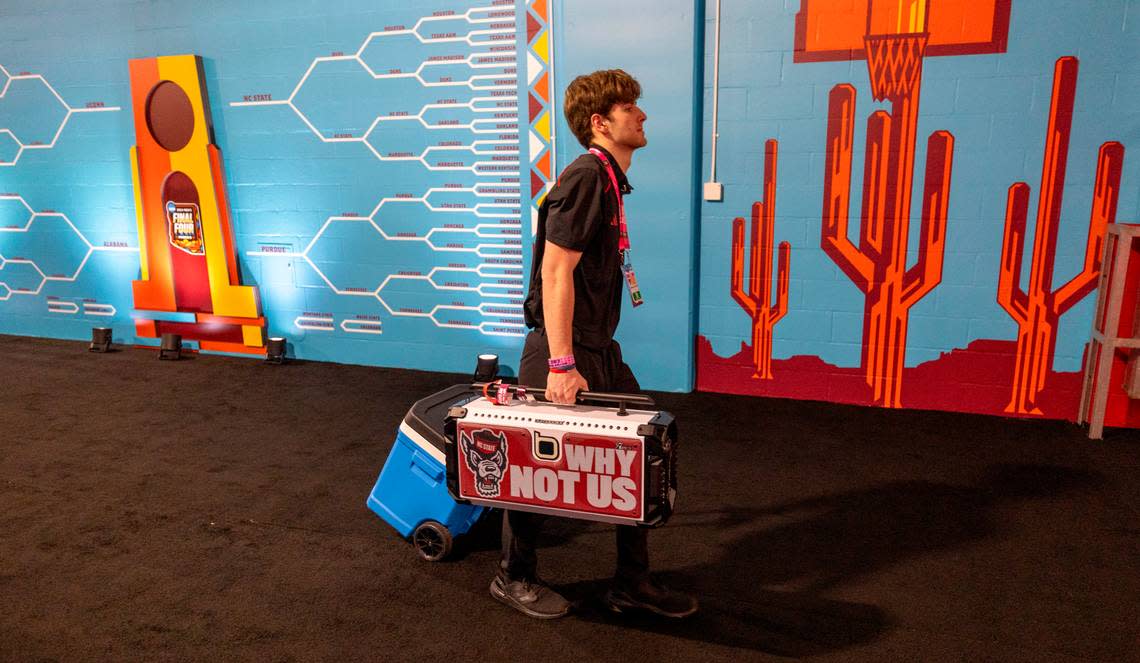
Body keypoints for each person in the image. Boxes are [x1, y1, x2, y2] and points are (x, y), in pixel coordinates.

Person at [489, 69, 698, 620]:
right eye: (631, 107)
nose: (643, 114)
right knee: (535, 464)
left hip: (598, 348)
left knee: (640, 455)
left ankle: (631, 583)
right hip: (561, 349)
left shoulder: (609, 179)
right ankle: (513, 577)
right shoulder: (586, 176)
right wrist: (561, 363)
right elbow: (555, 272)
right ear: (601, 122)